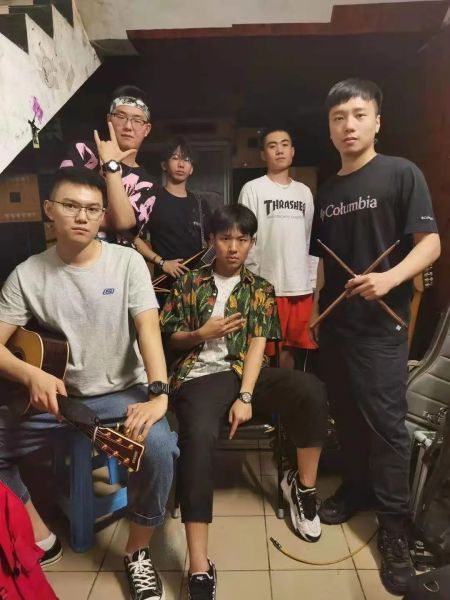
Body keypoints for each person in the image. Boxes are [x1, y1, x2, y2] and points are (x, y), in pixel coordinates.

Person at [0, 167, 179, 600]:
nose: (82, 216)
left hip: (123, 394)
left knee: (159, 448)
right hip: (60, 400)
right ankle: (39, 535)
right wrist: (30, 373)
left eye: (92, 209)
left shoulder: (127, 262)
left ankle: (137, 551)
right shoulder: (28, 274)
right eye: (70, 206)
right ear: (49, 210)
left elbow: (148, 329)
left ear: (103, 216)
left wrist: (158, 392)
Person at [310, 78, 441, 595]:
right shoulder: (328, 190)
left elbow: (429, 244)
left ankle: (394, 529)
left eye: (359, 114)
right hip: (336, 328)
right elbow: (324, 263)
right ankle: (358, 488)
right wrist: (316, 314)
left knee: (387, 429)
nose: (349, 125)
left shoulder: (402, 173)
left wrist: (389, 279)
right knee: (346, 418)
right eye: (339, 118)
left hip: (381, 330)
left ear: (377, 122)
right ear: (330, 128)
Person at [160, 204, 327, 600]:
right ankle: (198, 566)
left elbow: (257, 345)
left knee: (310, 390)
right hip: (200, 376)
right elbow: (169, 338)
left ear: (252, 242)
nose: (233, 247)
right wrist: (201, 333)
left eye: (242, 239)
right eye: (224, 238)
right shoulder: (189, 283)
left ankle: (302, 488)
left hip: (245, 373)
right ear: (211, 240)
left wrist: (246, 396)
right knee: (198, 434)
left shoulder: (260, 288)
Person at [238, 126, 318, 369]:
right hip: (266, 285)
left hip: (300, 287)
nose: (279, 150)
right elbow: (245, 238)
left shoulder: (304, 192)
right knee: (260, 350)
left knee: (291, 352)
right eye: (272, 146)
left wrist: (312, 283)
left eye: (284, 145)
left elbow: (309, 240)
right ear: (264, 154)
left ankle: (285, 394)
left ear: (292, 151)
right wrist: (252, 283)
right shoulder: (253, 188)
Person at [60, 84, 157, 246]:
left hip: (121, 259)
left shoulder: (148, 183)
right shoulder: (83, 152)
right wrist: (116, 219)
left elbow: (129, 228)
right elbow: (66, 208)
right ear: (109, 119)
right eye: (120, 116)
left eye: (137, 120)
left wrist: (111, 165)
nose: (128, 126)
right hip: (76, 255)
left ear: (146, 129)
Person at [136, 137, 211, 300]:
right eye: (175, 158)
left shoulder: (200, 203)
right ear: (164, 165)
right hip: (165, 286)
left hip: (197, 286)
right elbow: (133, 237)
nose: (181, 164)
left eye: (187, 160)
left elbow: (212, 243)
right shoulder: (151, 199)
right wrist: (162, 263)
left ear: (191, 169)